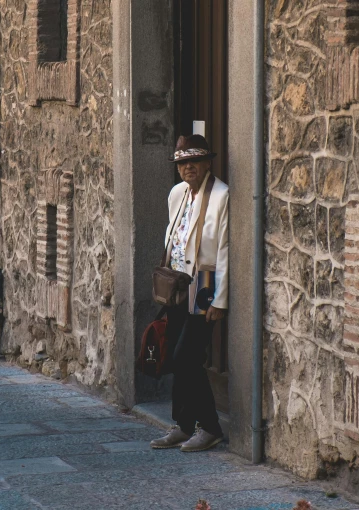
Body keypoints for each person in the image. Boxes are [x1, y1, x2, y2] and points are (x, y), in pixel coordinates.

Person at [150, 134, 229, 452]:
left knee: (187, 356)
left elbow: (225, 248)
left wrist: (220, 299)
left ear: (207, 162)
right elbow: (174, 235)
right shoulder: (177, 194)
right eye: (182, 162)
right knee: (173, 354)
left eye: (194, 161)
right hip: (177, 285)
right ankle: (183, 425)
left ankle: (210, 427)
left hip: (205, 285)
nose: (188, 168)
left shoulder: (222, 195)